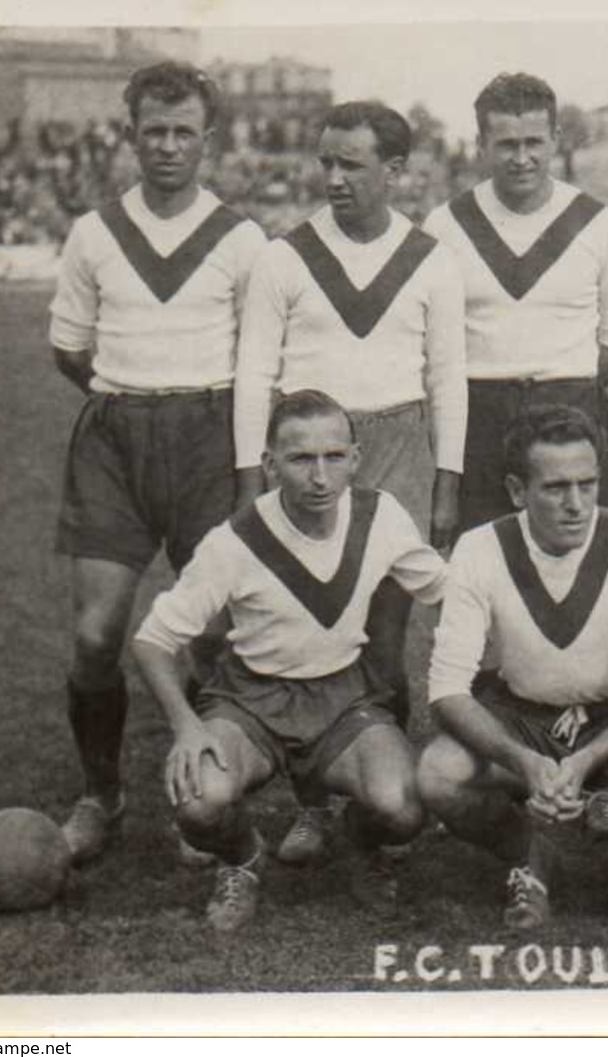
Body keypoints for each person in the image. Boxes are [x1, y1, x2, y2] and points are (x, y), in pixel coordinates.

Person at [234, 101, 467, 863]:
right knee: (309, 631)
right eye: (326, 162)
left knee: (386, 641)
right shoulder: (284, 255)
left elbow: (447, 375)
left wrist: (446, 479)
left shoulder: (430, 257)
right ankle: (316, 804)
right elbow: (254, 372)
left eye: (352, 164)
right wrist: (248, 479)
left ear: (396, 171)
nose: (333, 178)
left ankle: (380, 801)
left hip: (398, 446)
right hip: (309, 452)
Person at [48, 61, 268, 864]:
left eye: (183, 132)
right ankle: (100, 794)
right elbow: (68, 348)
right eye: (154, 131)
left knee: (211, 632)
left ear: (207, 141)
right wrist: (129, 397)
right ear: (130, 135)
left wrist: (236, 456)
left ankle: (202, 795)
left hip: (209, 436)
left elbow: (260, 361)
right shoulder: (94, 232)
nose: (168, 146)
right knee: (97, 631)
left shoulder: (241, 238)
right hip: (115, 436)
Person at [131, 391, 446, 931]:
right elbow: (151, 641)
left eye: (334, 457)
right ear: (270, 465)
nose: (320, 477)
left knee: (404, 807)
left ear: (356, 458)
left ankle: (358, 841)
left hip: (344, 697)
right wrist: (185, 727)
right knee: (199, 802)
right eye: (301, 460)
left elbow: (448, 590)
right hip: (250, 698)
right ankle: (242, 859)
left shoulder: (381, 516)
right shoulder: (235, 539)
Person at [417, 404, 608, 938]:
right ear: (515, 490)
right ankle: (529, 857)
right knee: (438, 773)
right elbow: (445, 690)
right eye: (555, 488)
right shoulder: (480, 547)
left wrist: (590, 757)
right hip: (521, 714)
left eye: (587, 484)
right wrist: (524, 762)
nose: (576, 504)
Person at [422, 72, 608, 534]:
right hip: (481, 415)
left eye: (534, 142)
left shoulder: (600, 223)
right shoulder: (446, 225)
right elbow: (437, 349)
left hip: (574, 409)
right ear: (480, 144)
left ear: (556, 139)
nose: (522, 158)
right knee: (483, 563)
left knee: (586, 560)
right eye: (506, 144)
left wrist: (557, 386)